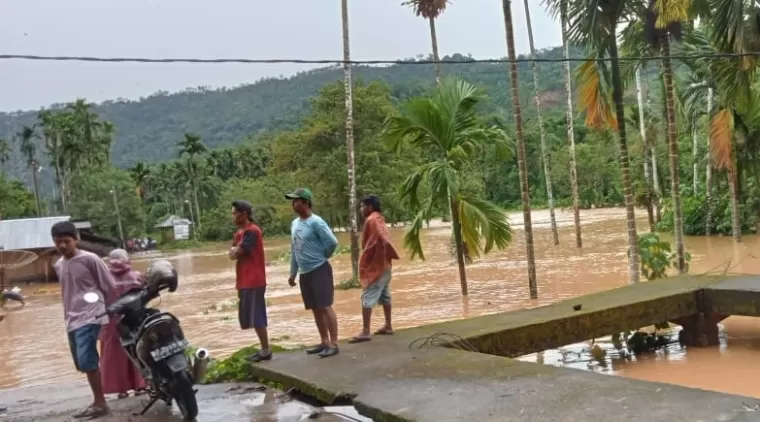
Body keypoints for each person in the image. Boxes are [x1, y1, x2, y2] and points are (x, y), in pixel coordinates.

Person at [51, 221, 118, 419]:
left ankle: (100, 403)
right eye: (58, 242)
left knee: (87, 359)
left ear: (76, 240)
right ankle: (99, 400)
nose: (63, 246)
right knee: (82, 363)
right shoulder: (59, 265)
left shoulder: (91, 259)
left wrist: (110, 313)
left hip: (92, 315)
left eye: (67, 241)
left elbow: (109, 286)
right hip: (72, 318)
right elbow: (67, 293)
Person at [285, 188, 340, 358]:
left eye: (297, 201)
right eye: (293, 201)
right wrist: (293, 272)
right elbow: (294, 249)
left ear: (306, 202)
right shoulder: (295, 224)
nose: (293, 204)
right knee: (315, 308)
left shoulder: (316, 222)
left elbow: (332, 242)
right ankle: (324, 341)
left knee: (325, 305)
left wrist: (324, 256)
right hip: (305, 272)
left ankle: (334, 343)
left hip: (319, 269)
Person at [349, 195, 400, 343]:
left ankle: (366, 331)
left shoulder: (372, 220)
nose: (361, 209)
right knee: (385, 295)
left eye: (362, 206)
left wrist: (376, 254)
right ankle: (388, 325)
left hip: (377, 266)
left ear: (369, 207)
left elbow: (382, 238)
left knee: (367, 296)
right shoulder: (379, 218)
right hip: (385, 265)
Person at [99, 249, 147, 399]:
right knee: (137, 350)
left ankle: (121, 390)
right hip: (134, 320)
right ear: (127, 259)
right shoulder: (137, 276)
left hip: (111, 322)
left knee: (114, 356)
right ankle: (140, 386)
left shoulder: (103, 279)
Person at [229, 200, 272, 362]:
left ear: (244, 214)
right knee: (252, 315)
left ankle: (266, 350)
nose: (232, 216)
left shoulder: (251, 231)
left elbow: (236, 253)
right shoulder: (240, 232)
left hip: (254, 279)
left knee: (257, 315)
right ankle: (264, 348)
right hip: (245, 279)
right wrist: (235, 251)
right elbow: (232, 253)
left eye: (234, 213)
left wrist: (235, 251)